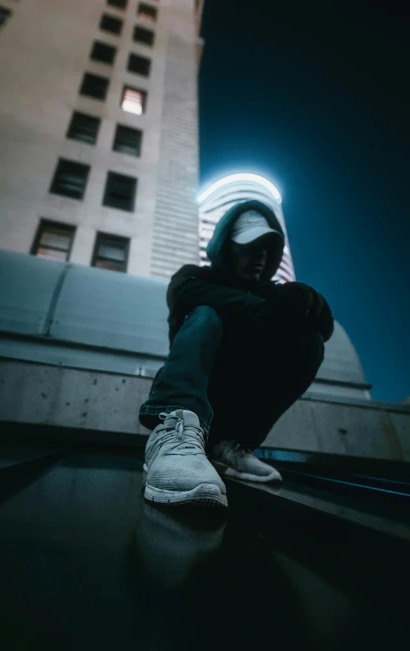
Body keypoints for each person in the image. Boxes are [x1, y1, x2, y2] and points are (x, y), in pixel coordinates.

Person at [138, 199, 334, 508]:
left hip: (239, 402)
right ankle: (172, 434)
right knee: (205, 314)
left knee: (310, 343)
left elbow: (323, 328)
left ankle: (231, 445)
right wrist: (263, 309)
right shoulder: (197, 278)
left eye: (267, 249)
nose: (261, 256)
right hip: (197, 396)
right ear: (228, 247)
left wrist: (308, 300)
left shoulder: (272, 293)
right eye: (251, 247)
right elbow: (181, 294)